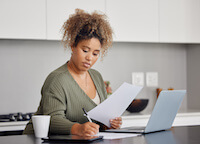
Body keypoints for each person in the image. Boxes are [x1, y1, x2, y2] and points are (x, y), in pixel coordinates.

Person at [23, 9, 122, 137]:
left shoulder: (97, 77)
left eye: (95, 53)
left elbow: (97, 118)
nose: (90, 58)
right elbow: (52, 119)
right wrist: (79, 128)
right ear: (72, 46)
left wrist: (108, 123)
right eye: (85, 50)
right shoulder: (57, 79)